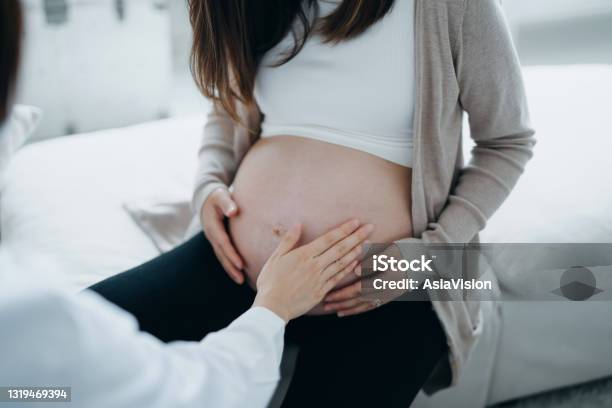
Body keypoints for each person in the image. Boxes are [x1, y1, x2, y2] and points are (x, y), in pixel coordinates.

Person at [91, 0, 535, 406]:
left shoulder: (452, 8)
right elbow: (228, 107)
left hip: (387, 289)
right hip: (237, 268)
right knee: (60, 344)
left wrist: (424, 258)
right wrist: (208, 182)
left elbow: (508, 143)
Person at [0, 1, 372, 407]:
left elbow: (455, 274)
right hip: (229, 261)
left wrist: (411, 266)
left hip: (384, 280)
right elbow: (228, 104)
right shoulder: (249, 8)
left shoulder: (440, 12)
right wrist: (208, 184)